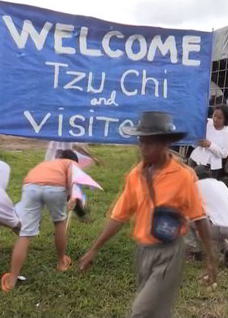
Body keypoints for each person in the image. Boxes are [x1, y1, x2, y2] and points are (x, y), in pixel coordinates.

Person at [78, 111, 217, 317]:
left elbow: (199, 218)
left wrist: (211, 257)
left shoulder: (184, 177)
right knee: (156, 311)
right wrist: (94, 249)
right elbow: (118, 217)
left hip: (169, 253)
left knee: (141, 311)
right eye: (141, 141)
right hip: (143, 253)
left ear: (165, 143)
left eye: (149, 142)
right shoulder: (136, 175)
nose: (143, 147)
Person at [1, 150, 80, 291]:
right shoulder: (72, 164)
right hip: (56, 187)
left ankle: (12, 280)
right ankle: (61, 262)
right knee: (59, 223)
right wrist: (73, 197)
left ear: (60, 157)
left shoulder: (47, 163)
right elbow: (73, 183)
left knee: (25, 233)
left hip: (31, 185)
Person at [185, 166, 228, 267]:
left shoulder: (195, 186)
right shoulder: (221, 184)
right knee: (217, 222)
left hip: (217, 228)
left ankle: (194, 251)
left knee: (183, 217)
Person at [189, 105, 228, 179]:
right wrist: (198, 142)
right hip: (195, 158)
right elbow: (194, 142)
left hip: (210, 166)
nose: (215, 119)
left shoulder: (227, 133)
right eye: (214, 115)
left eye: (219, 118)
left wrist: (210, 145)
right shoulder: (207, 122)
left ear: (225, 119)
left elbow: (224, 154)